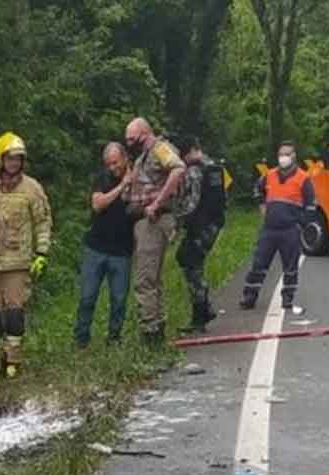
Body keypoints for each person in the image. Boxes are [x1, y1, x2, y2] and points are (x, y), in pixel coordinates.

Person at [0, 131, 53, 379]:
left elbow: (43, 222)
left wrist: (41, 253)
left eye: (19, 159)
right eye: (10, 158)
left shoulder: (32, 188)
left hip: (17, 261)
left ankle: (14, 361)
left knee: (14, 311)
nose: (14, 163)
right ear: (0, 160)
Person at [123, 117, 187, 346]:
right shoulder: (143, 157)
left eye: (132, 139)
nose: (129, 143)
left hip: (154, 220)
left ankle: (150, 334)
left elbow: (178, 169)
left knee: (145, 279)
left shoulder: (159, 148)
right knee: (152, 278)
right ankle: (156, 327)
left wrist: (157, 203)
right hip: (144, 221)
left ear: (144, 133)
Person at [73, 142, 138, 348]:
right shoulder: (101, 178)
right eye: (108, 164)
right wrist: (122, 186)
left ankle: (114, 339)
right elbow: (97, 204)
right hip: (96, 248)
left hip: (122, 251)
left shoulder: (139, 177)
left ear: (125, 158)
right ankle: (81, 339)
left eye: (115, 163)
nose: (112, 168)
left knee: (119, 300)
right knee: (87, 297)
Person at [241, 141, 315, 312]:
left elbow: (311, 205)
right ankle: (250, 296)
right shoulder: (269, 175)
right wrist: (261, 207)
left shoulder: (303, 179)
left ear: (294, 156)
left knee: (290, 266)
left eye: (287, 154)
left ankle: (288, 297)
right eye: (281, 154)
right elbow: (257, 190)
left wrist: (301, 224)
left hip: (290, 229)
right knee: (259, 263)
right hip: (269, 228)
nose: (283, 158)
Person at [177, 137, 228, 332]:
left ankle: (201, 313)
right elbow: (223, 199)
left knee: (190, 263)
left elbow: (192, 203)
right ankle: (203, 311)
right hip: (214, 224)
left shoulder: (196, 171)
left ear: (190, 151)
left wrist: (177, 219)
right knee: (191, 262)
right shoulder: (214, 167)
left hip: (200, 225)